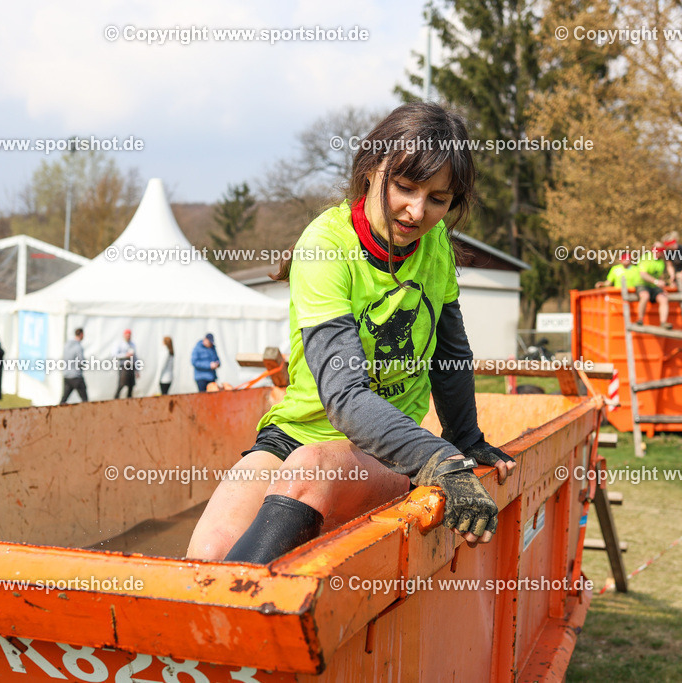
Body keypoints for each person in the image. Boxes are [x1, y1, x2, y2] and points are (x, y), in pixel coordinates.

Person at [187, 102, 515, 564]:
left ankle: (246, 615)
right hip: (295, 434)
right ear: (371, 169)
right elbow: (343, 396)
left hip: (380, 452)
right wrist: (442, 459)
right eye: (405, 187)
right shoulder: (324, 248)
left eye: (438, 199)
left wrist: (464, 439)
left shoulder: (435, 243)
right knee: (206, 554)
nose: (416, 211)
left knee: (312, 469)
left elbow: (449, 351)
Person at [637, 243, 672, 328]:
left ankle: (663, 323)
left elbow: (660, 277)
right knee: (645, 296)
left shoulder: (661, 262)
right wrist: (656, 282)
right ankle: (640, 319)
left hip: (654, 286)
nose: (662, 253)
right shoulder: (646, 258)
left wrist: (662, 288)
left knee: (663, 299)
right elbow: (643, 274)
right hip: (643, 284)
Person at [61, 328, 89, 404]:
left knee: (64, 399)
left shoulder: (66, 345)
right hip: (76, 376)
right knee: (85, 399)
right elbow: (81, 362)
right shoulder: (78, 347)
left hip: (67, 375)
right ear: (81, 334)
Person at [113, 329, 138, 399]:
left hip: (131, 366)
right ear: (124, 335)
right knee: (121, 384)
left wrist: (137, 370)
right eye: (127, 335)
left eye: (129, 335)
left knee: (131, 385)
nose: (128, 337)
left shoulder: (132, 344)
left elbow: (135, 358)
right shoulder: (119, 344)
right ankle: (115, 398)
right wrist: (125, 355)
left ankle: (129, 401)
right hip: (123, 366)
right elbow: (114, 355)